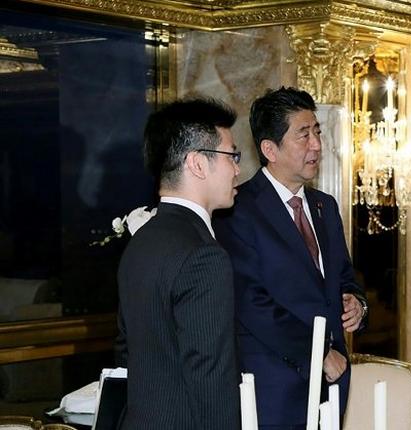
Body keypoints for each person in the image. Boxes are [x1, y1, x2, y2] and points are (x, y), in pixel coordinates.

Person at [214, 87, 368, 429]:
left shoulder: (324, 206)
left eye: (317, 132)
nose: (316, 144)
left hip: (331, 383)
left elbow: (343, 278)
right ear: (270, 149)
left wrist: (358, 304)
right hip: (274, 388)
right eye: (303, 135)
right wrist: (315, 356)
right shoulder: (238, 210)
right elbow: (250, 302)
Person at [115, 98, 242, 429]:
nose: (238, 169)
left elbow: (127, 352)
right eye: (232, 156)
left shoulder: (141, 241)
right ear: (198, 164)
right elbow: (211, 377)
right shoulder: (204, 255)